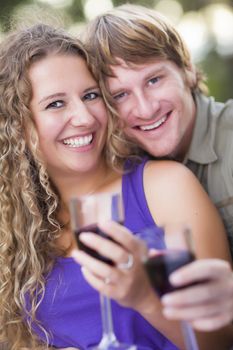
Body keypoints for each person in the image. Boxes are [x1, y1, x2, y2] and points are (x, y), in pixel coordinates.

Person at [0, 22, 232, 350]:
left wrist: (145, 298)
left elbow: (221, 340)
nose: (84, 117)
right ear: (18, 126)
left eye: (90, 95)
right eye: (56, 103)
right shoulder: (16, 224)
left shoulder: (163, 188)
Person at [81, 3, 233, 332]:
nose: (145, 109)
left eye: (153, 80)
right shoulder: (126, 173)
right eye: (119, 94)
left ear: (188, 69)